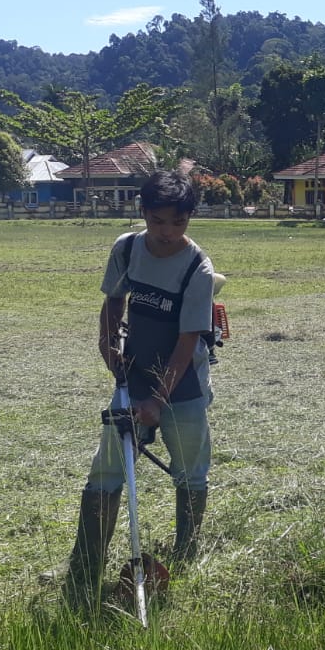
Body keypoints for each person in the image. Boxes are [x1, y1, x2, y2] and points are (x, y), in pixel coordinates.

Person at [64, 170, 217, 608]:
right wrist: (107, 346)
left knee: (190, 470)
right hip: (132, 379)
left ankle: (186, 556)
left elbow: (189, 339)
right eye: (158, 221)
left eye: (178, 222)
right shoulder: (127, 248)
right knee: (107, 470)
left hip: (181, 384)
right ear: (143, 214)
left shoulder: (197, 269)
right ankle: (85, 564)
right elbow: (114, 299)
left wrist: (158, 401)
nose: (167, 232)